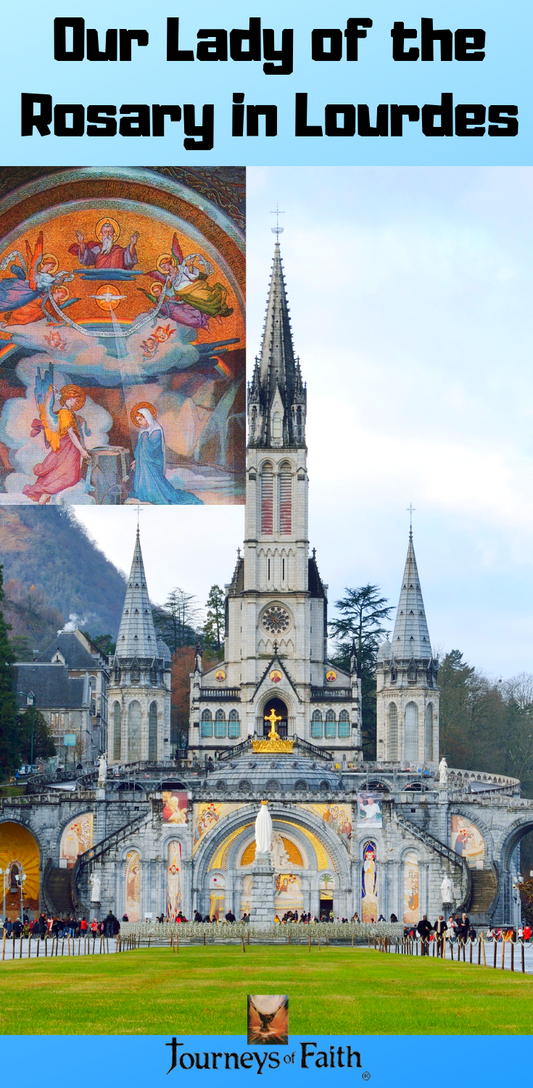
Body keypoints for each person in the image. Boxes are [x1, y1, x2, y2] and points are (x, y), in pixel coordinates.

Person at [23, 383, 90, 504]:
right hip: (67, 448)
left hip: (71, 449)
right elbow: (71, 433)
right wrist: (82, 450)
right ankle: (44, 498)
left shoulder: (69, 413)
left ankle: (44, 500)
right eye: (76, 399)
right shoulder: (65, 413)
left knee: (69, 476)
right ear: (70, 398)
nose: (77, 402)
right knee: (69, 477)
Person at [129, 403, 203, 506]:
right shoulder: (143, 431)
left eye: (140, 420)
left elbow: (153, 448)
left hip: (153, 462)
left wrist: (145, 435)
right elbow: (140, 449)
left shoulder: (156, 430)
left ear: (147, 417)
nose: (139, 422)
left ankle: (154, 495)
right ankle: (146, 494)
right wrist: (137, 460)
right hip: (143, 463)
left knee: (156, 485)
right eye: (137, 420)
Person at [69, 221, 139, 270]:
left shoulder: (119, 250)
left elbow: (128, 258)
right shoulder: (97, 249)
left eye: (110, 232)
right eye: (105, 232)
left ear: (113, 234)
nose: (108, 234)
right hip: (99, 278)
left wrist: (132, 244)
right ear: (101, 234)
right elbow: (86, 259)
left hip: (117, 277)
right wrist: (81, 243)